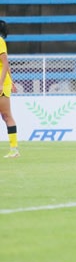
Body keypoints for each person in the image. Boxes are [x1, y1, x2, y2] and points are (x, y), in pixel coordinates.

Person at [0, 21, 19, 159]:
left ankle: (14, 149)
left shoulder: (0, 42)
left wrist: (3, 83)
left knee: (6, 115)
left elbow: (5, 64)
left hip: (1, 84)